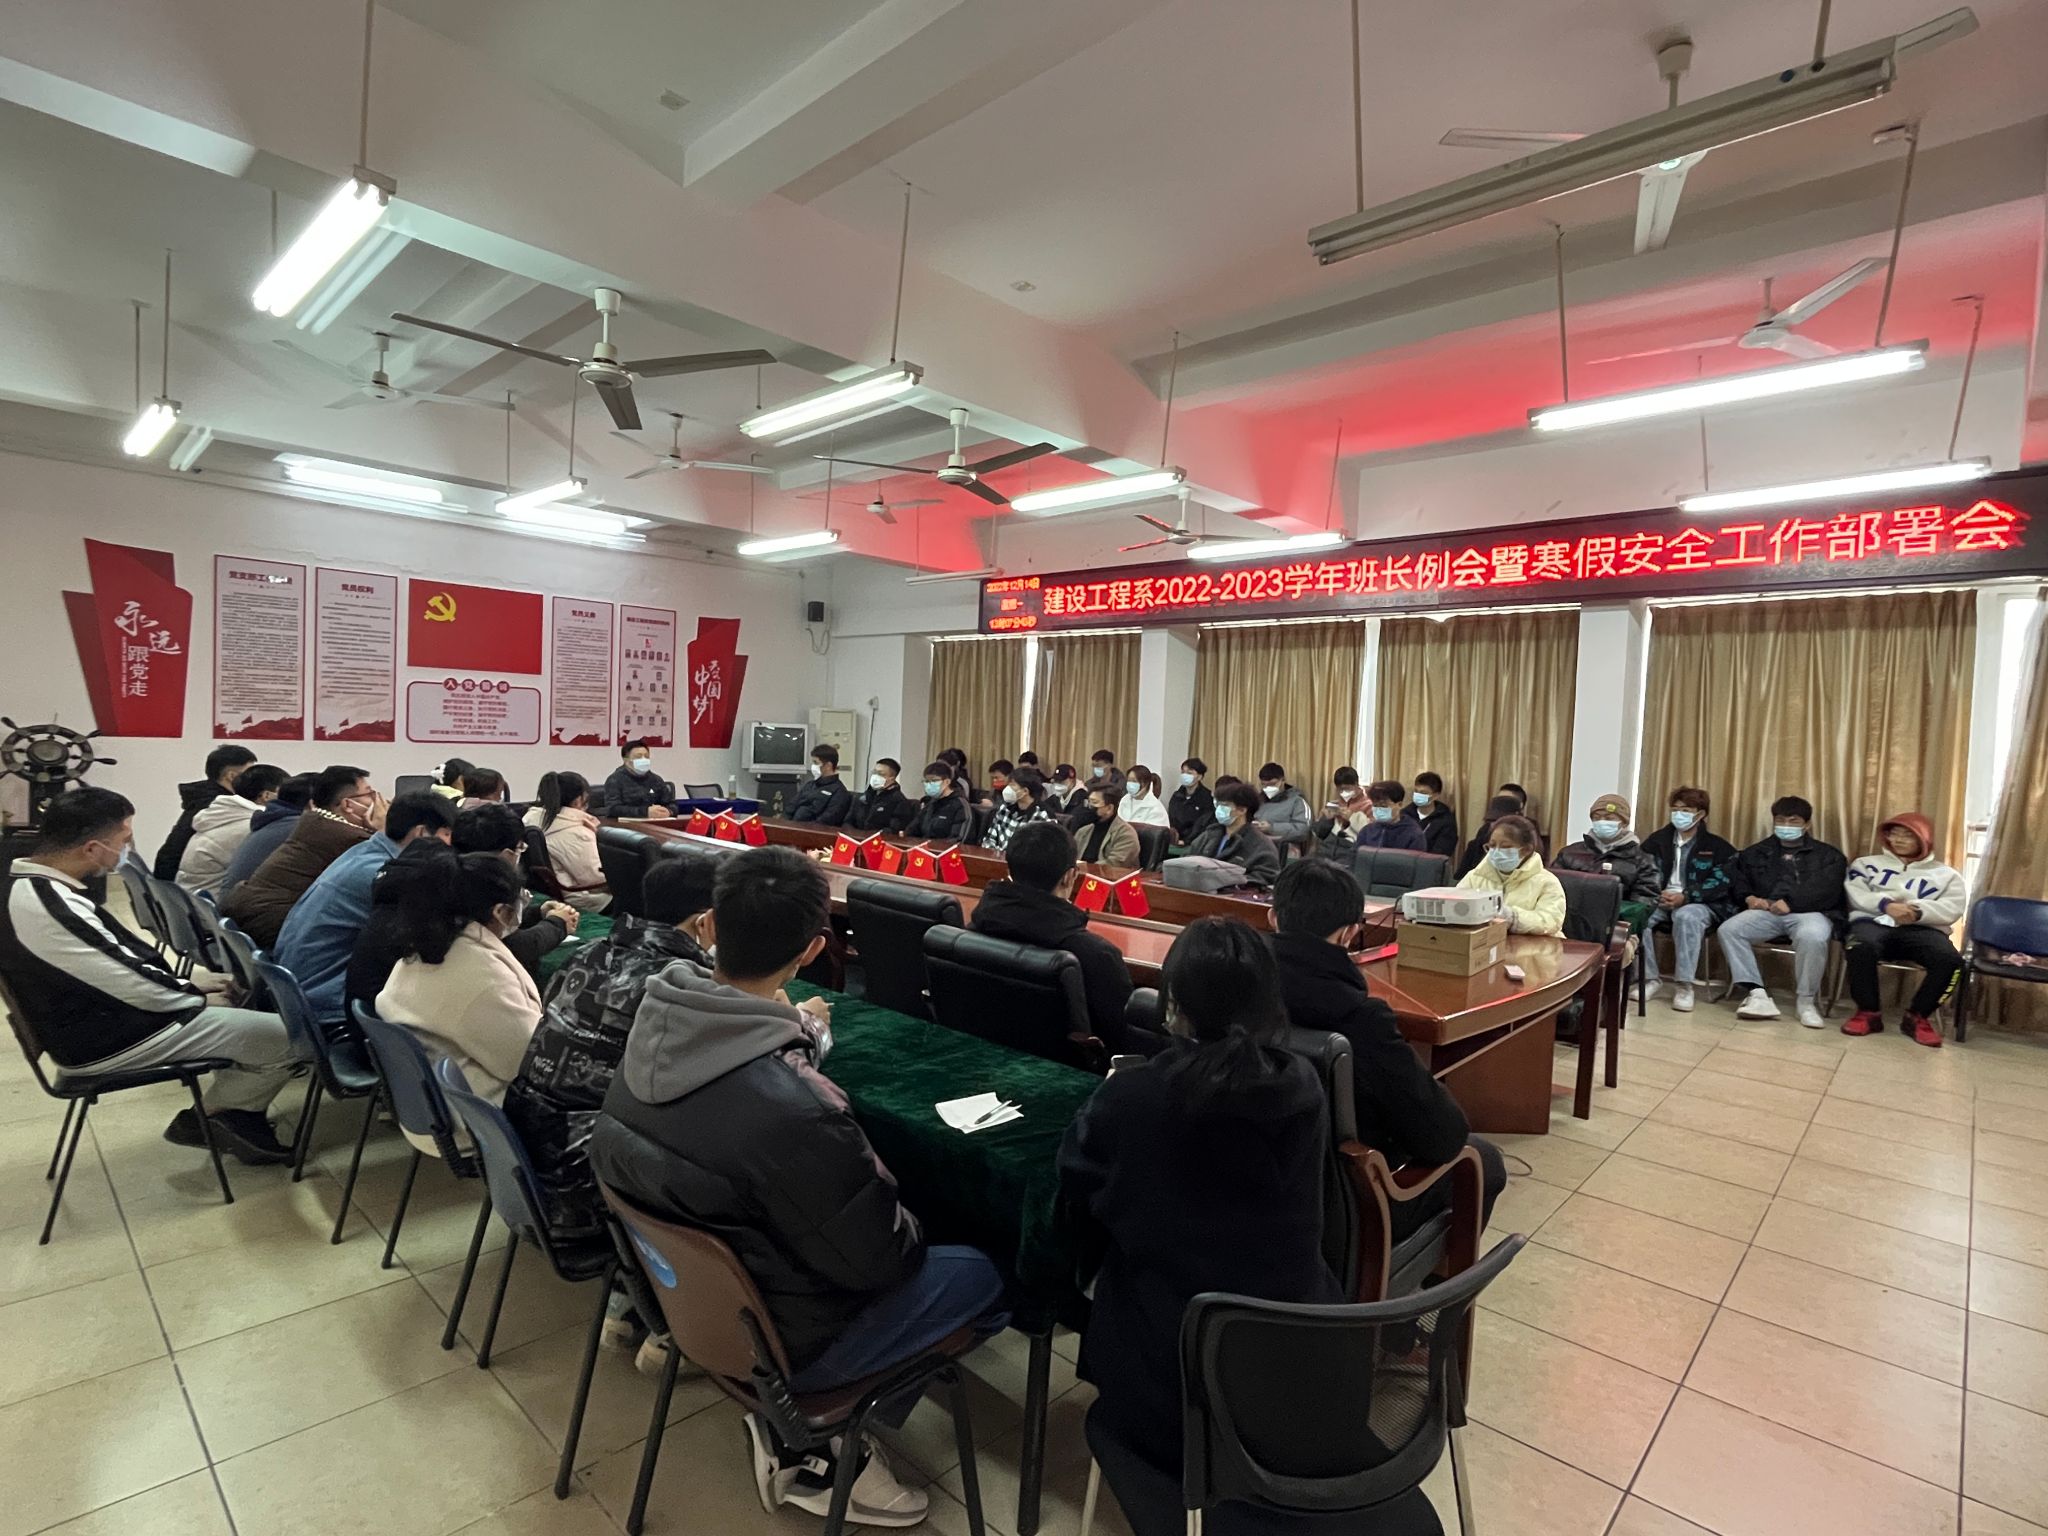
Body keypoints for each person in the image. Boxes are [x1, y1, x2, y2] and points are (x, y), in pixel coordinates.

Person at [589, 847, 1006, 1525]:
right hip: (785, 1339)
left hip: (692, 1304)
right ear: (814, 950)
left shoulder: (654, 1021)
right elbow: (883, 1262)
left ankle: (801, 1423)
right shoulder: (796, 1107)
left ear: (711, 925)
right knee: (986, 1273)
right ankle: (820, 1442)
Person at [1058, 918, 1354, 1498]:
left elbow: (1075, 1196)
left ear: (1173, 1008)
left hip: (1171, 1397)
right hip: (1302, 1378)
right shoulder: (1304, 1085)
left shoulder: (1132, 1097)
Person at [2, 788, 300, 1163]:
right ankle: (210, 1120)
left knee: (249, 1015)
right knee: (289, 1037)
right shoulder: (49, 905)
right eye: (124, 839)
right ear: (92, 848)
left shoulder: (33, 888)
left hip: (94, 1020)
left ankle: (231, 1114)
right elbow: (131, 984)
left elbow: (116, 966)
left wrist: (190, 986)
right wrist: (196, 997)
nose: (128, 849)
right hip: (104, 1039)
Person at [1270, 858, 1503, 1234]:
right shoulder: (1361, 1020)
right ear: (1349, 934)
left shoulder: (1238, 991)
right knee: (1484, 1160)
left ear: (1273, 918)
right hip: (1344, 1208)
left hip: (1252, 1187)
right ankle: (1439, 1274)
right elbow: (1443, 1135)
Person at [510, 853, 718, 1249]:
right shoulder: (679, 985)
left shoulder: (587, 952)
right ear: (705, 922)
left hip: (525, 1161)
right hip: (583, 1192)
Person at [274, 791, 455, 1030]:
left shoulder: (363, 853)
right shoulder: (383, 874)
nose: (452, 846)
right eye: (447, 835)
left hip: (303, 990)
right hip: (328, 1003)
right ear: (421, 833)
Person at [375, 852, 541, 1107]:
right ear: (499, 911)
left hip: (427, 1101)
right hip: (479, 1114)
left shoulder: (420, 947)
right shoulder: (484, 978)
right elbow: (531, 1060)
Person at [971, 821, 1138, 1055]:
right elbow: (1126, 1042)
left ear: (1010, 870)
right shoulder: (1097, 956)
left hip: (978, 1056)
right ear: (1070, 876)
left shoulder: (973, 928)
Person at [1719, 796, 1848, 1028]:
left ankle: (1806, 1002)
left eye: (1793, 821)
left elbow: (1829, 889)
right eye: (1780, 820)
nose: (1786, 825)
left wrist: (1791, 902)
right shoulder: (1757, 851)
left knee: (1813, 936)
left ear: (1807, 824)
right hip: (1767, 911)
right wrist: (1749, 898)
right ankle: (1756, 993)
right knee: (1730, 930)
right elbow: (1738, 880)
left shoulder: (1829, 855)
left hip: (1810, 912)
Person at [222, 765, 383, 947]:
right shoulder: (347, 838)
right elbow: (389, 867)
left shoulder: (314, 822)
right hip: (274, 925)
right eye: (370, 794)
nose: (377, 800)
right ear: (348, 805)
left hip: (251, 914)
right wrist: (383, 830)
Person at [1842, 812, 1966, 1047]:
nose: (1898, 840)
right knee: (1858, 946)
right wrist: (1886, 905)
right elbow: (1856, 893)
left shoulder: (1947, 875)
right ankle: (1868, 1012)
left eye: (1907, 835)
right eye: (1894, 834)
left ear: (1924, 839)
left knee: (1951, 961)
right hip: (1873, 922)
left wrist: (1918, 911)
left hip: (1922, 928)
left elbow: (1952, 907)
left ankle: (1918, 1017)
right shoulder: (1865, 864)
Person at [1638, 787, 1738, 1012]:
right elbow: (1642, 871)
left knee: (1686, 917)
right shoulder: (1656, 841)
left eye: (1686, 810)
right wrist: (1655, 892)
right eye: (1675, 809)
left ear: (1700, 814)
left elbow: (1722, 882)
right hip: (1660, 898)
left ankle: (1684, 985)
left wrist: (1687, 897)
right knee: (1637, 915)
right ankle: (1649, 979)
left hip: (1699, 903)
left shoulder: (1718, 847)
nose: (1679, 814)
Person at [452, 805, 578, 981]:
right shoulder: (483, 886)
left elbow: (502, 925)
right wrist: (558, 924)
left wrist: (537, 913)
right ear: (506, 855)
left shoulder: (452, 875)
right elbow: (514, 947)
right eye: (520, 848)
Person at [1551, 793, 1663, 932]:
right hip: (1568, 923)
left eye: (1609, 818)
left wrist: (1621, 927)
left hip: (1615, 928)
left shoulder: (1641, 860)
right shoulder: (1569, 854)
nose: (1602, 822)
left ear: (1624, 822)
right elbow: (1552, 888)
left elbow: (1645, 901)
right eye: (1597, 818)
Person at [176, 763, 288, 894]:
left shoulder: (222, 814)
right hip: (214, 902)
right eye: (284, 792)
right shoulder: (254, 825)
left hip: (189, 899)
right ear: (266, 796)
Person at [152, 744, 258, 880]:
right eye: (250, 774)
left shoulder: (203, 798)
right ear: (232, 776)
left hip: (171, 878)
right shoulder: (220, 805)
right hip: (182, 881)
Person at [1455, 814, 1565, 935]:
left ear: (1526, 850)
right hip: (1488, 941)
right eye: (1492, 846)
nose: (1496, 852)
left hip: (1536, 945)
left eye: (1505, 847)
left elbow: (1551, 921)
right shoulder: (1476, 876)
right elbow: (1457, 905)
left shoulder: (1547, 882)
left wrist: (1513, 918)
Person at [217, 772, 315, 897]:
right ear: (312, 804)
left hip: (232, 902)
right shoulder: (301, 827)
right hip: (249, 905)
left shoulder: (270, 821)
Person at [524, 771, 611, 913]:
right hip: (585, 899)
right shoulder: (575, 833)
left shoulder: (531, 819)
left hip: (555, 893)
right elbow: (595, 878)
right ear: (578, 800)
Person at [1184, 781, 1282, 888]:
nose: (1219, 810)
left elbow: (1266, 876)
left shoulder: (1260, 844)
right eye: (1218, 805)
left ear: (1242, 810)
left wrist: (1231, 881)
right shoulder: (1209, 834)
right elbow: (1186, 859)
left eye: (1225, 805)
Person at [980, 763, 1055, 854]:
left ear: (1025, 791)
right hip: (997, 859)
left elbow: (1042, 853)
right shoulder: (1004, 809)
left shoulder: (1043, 816)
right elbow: (989, 840)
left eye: (1012, 785)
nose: (1008, 788)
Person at [1455, 793, 1527, 879]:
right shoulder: (1482, 837)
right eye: (1492, 821)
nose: (1495, 825)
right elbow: (1461, 876)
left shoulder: (1526, 839)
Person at [1073, 781, 1141, 868]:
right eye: (1088, 802)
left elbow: (1114, 864)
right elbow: (1071, 858)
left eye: (1094, 802)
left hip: (1109, 875)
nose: (1089, 806)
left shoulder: (1126, 834)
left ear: (1109, 808)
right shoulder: (1083, 831)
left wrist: (1082, 867)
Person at [604, 739, 675, 820]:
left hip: (655, 823)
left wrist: (669, 811)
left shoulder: (656, 780)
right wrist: (645, 812)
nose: (643, 759)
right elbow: (613, 809)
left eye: (646, 756)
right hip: (626, 825)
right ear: (626, 760)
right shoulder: (615, 780)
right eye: (638, 757)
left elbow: (672, 804)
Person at [904, 760, 970, 843]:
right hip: (924, 847)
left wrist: (931, 845)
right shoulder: (931, 803)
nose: (929, 785)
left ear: (947, 782)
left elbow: (958, 839)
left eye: (934, 781)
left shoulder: (960, 805)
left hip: (944, 849)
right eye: (927, 781)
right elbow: (913, 829)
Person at [788, 743, 853, 826]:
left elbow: (827, 820)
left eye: (816, 763)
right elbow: (791, 807)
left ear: (828, 766)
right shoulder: (810, 785)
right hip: (793, 826)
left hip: (811, 830)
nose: (813, 766)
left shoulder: (840, 792)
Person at [1253, 762, 1311, 853]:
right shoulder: (1258, 800)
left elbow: (1302, 830)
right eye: (1264, 785)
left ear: (1283, 780)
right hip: (1258, 847)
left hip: (1284, 850)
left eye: (1272, 784)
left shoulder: (1297, 801)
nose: (1268, 788)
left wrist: (1271, 828)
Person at [847, 758, 915, 835]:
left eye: (881, 774)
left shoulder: (899, 801)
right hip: (856, 837)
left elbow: (893, 829)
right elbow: (848, 821)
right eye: (874, 772)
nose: (875, 776)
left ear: (892, 778)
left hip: (878, 839)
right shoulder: (864, 796)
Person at [1403, 771, 1460, 860]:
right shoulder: (1404, 815)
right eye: (1416, 791)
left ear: (1436, 796)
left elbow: (1442, 851)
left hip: (1429, 865)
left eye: (1423, 793)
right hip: (1402, 862)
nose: (1418, 795)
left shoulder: (1446, 820)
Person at [1166, 757, 1213, 845]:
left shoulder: (1207, 798)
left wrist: (1186, 840)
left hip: (1195, 842)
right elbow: (1171, 819)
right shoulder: (1176, 796)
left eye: (1189, 773)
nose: (1185, 775)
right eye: (1183, 772)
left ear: (1200, 776)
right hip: (1174, 841)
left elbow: (1203, 824)